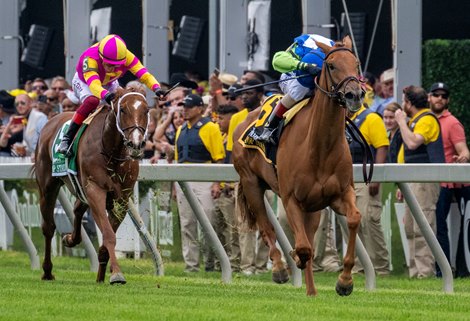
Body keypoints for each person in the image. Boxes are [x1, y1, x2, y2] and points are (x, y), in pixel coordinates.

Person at [57, 34, 165, 156]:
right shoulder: (90, 58)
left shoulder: (128, 57)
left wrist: (156, 88)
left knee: (124, 102)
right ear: (101, 58)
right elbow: (94, 85)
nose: (112, 69)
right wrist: (105, 95)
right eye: (108, 64)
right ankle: (67, 139)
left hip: (109, 82)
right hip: (85, 82)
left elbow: (144, 75)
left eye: (116, 65)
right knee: (92, 101)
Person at [395, 85, 445, 278]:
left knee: (423, 226)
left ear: (409, 103)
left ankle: (426, 272)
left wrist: (401, 122)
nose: (402, 105)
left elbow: (413, 142)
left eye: (403, 100)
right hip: (411, 179)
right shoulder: (416, 120)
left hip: (424, 180)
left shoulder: (426, 119)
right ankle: (415, 272)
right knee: (410, 227)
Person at [174, 94, 225, 272]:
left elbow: (219, 158)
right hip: (184, 179)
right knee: (187, 223)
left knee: (209, 222)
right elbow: (177, 159)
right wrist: (175, 185)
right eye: (184, 106)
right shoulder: (181, 129)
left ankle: (210, 261)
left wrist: (216, 183)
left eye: (189, 106)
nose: (185, 110)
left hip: (205, 177)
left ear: (200, 109)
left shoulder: (210, 128)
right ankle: (191, 265)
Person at [255, 34, 331, 143]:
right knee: (299, 92)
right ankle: (270, 128)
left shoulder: (335, 51)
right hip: (294, 75)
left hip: (322, 73)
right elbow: (277, 60)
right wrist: (303, 66)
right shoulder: (303, 46)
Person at [428, 82, 470, 278]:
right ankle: (443, 269)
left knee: (446, 226)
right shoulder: (425, 120)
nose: (440, 99)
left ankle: (454, 269)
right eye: (436, 95)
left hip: (449, 181)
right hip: (436, 180)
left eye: (444, 96)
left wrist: (463, 157)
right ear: (429, 97)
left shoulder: (452, 122)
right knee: (438, 226)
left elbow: (464, 151)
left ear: (448, 100)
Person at [348, 104, 390, 275]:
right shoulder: (343, 118)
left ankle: (380, 267)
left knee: (368, 221)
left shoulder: (371, 118)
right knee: (352, 224)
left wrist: (376, 176)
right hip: (348, 179)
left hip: (366, 177)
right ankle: (359, 266)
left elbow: (381, 147)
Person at [213, 104, 241, 271]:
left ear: (232, 119)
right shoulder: (221, 137)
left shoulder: (235, 138)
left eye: (222, 119)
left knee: (234, 229)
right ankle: (220, 263)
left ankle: (235, 264)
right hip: (220, 190)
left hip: (231, 189)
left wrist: (230, 183)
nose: (218, 122)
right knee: (219, 229)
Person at [12, 93, 48, 160]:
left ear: (31, 103)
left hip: (42, 158)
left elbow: (44, 140)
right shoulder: (25, 118)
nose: (19, 106)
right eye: (17, 104)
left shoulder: (40, 117)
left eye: (22, 103)